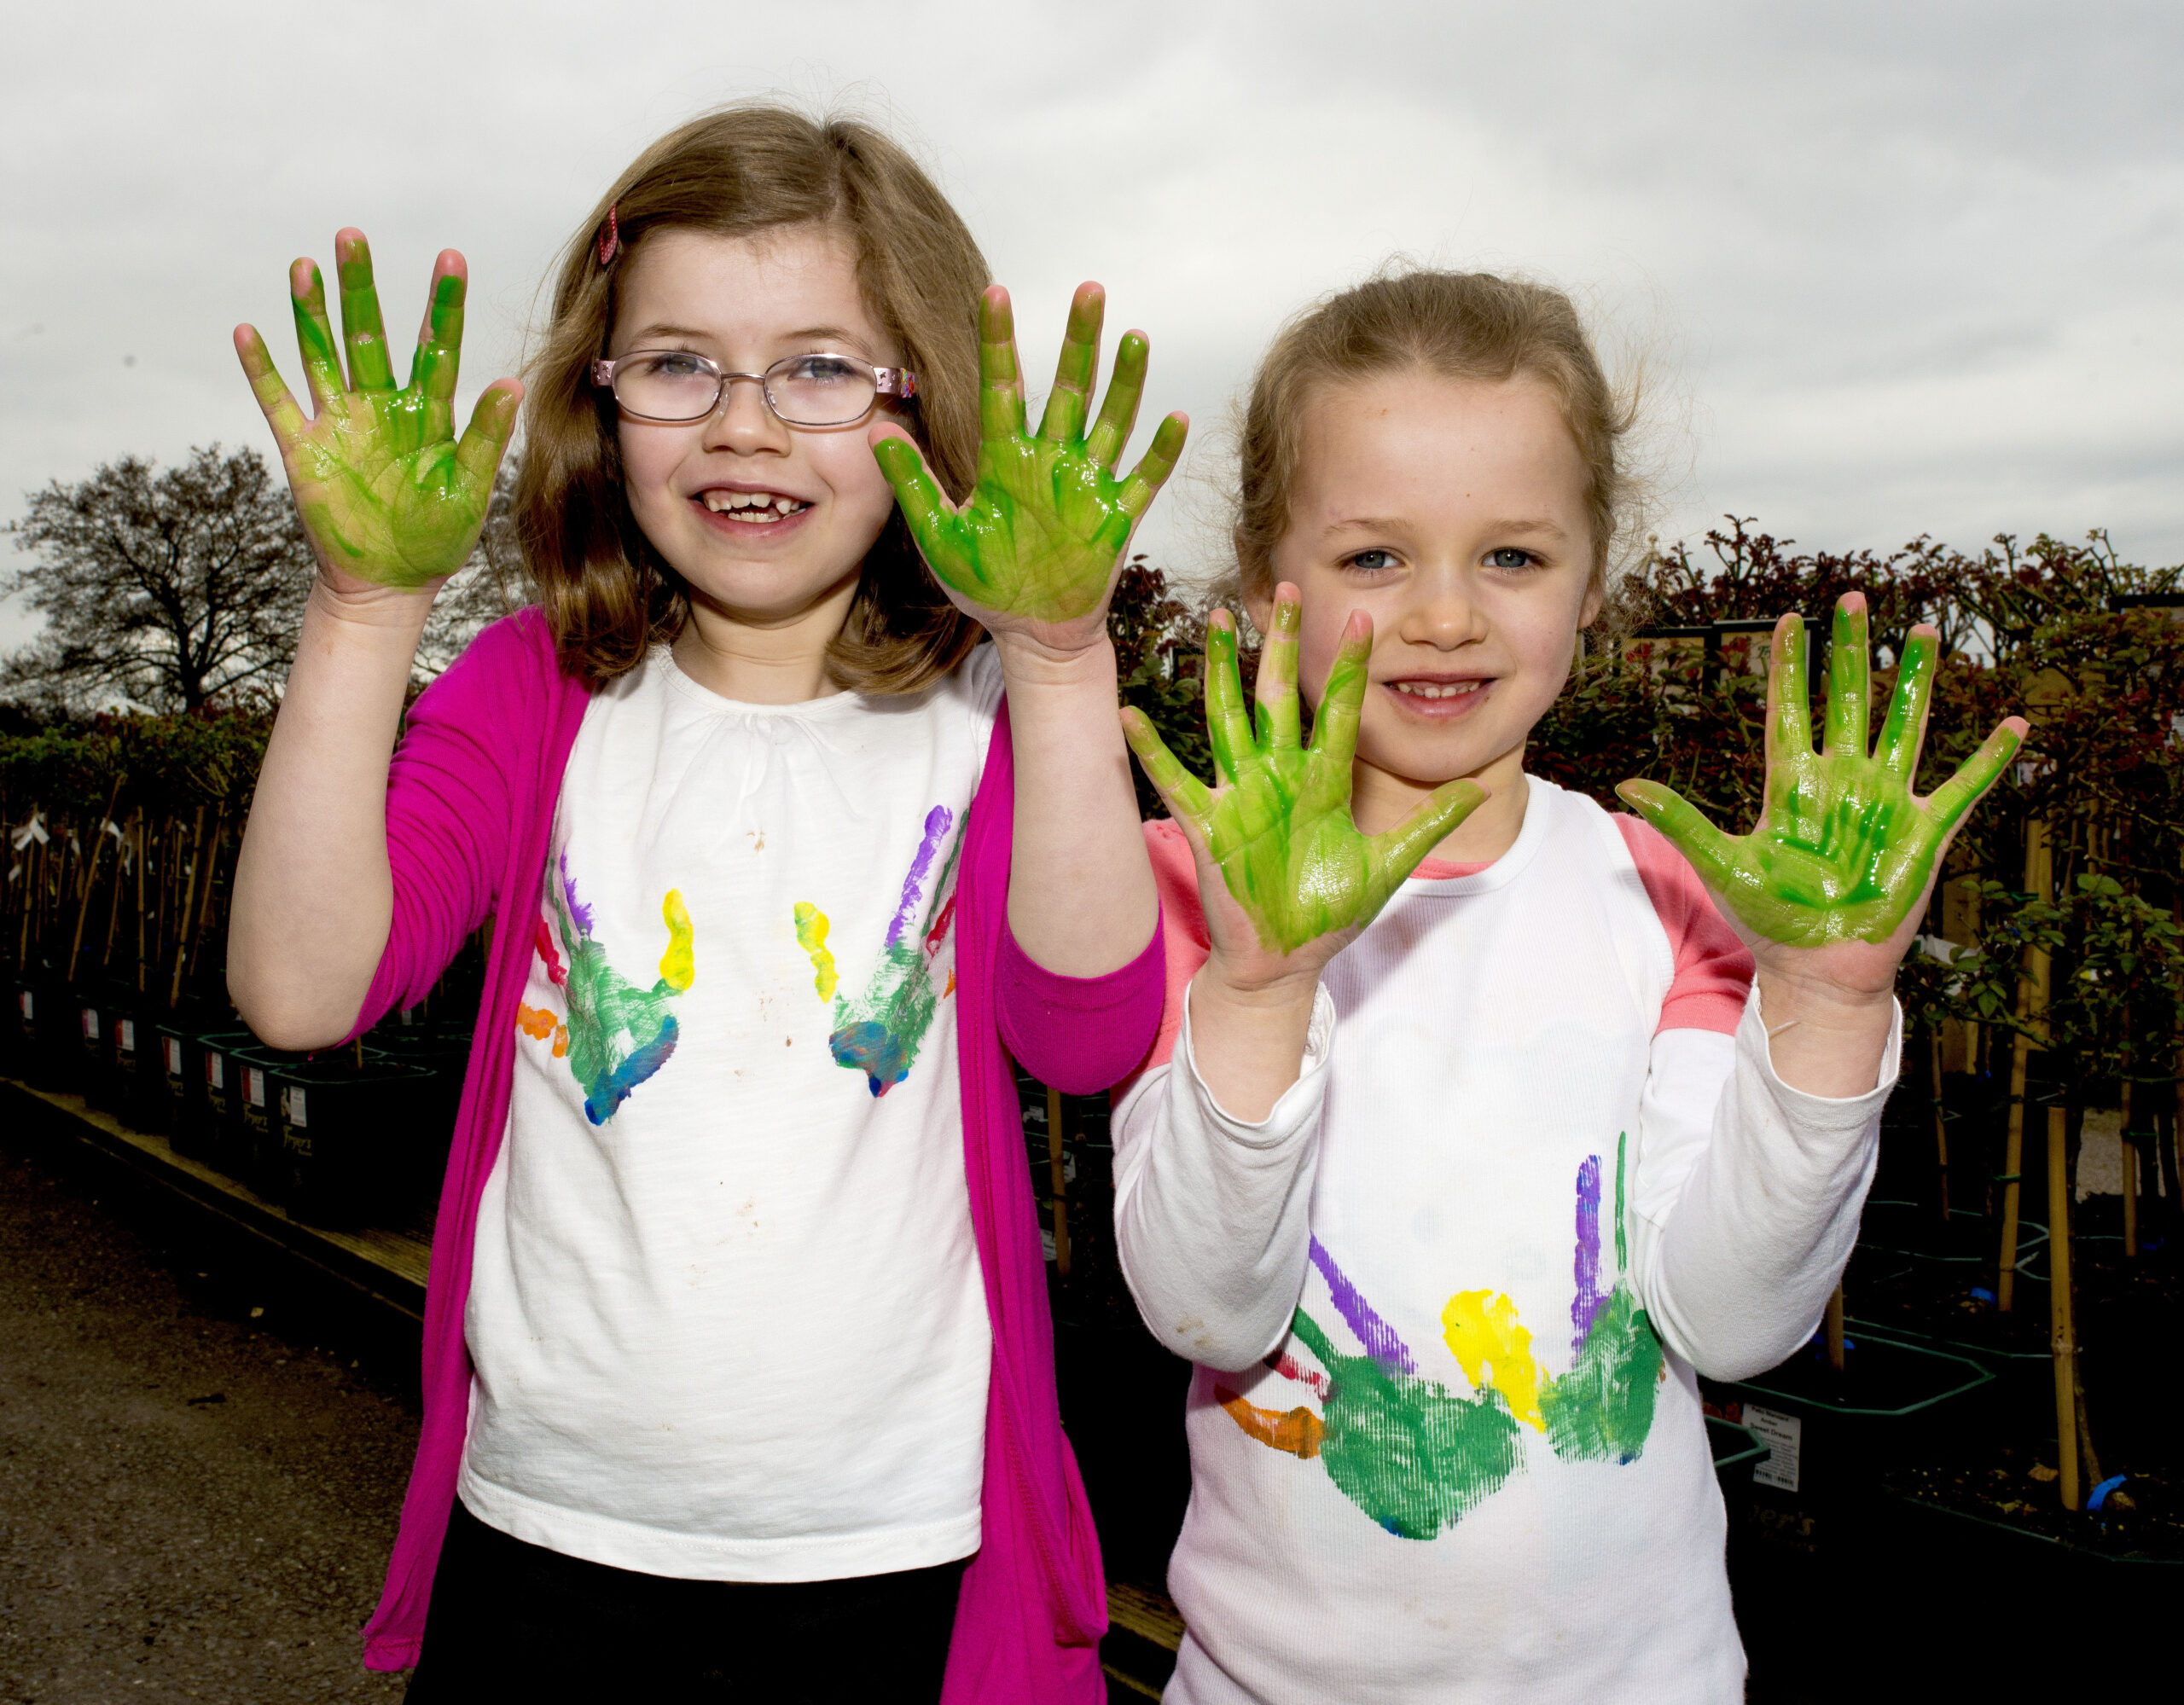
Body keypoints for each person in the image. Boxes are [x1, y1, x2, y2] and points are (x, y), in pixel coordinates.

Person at [224, 104, 1184, 1702]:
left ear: (929, 403)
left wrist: (1063, 656)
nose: (744, 425)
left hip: (904, 1557)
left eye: (821, 369)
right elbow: (302, 993)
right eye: (678, 364)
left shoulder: (988, 716)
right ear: (600, 400)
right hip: (547, 1551)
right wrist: (365, 605)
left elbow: (1086, 1036)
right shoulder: (537, 690)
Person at [1113, 267, 2024, 1702]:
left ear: (1594, 582)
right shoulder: (1190, 889)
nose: (1444, 617)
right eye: (1373, 559)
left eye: (1513, 558)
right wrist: (1256, 985)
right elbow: (1206, 1312)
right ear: (1261, 587)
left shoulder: (1662, 900)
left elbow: (1734, 1324)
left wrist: (1834, 1012)